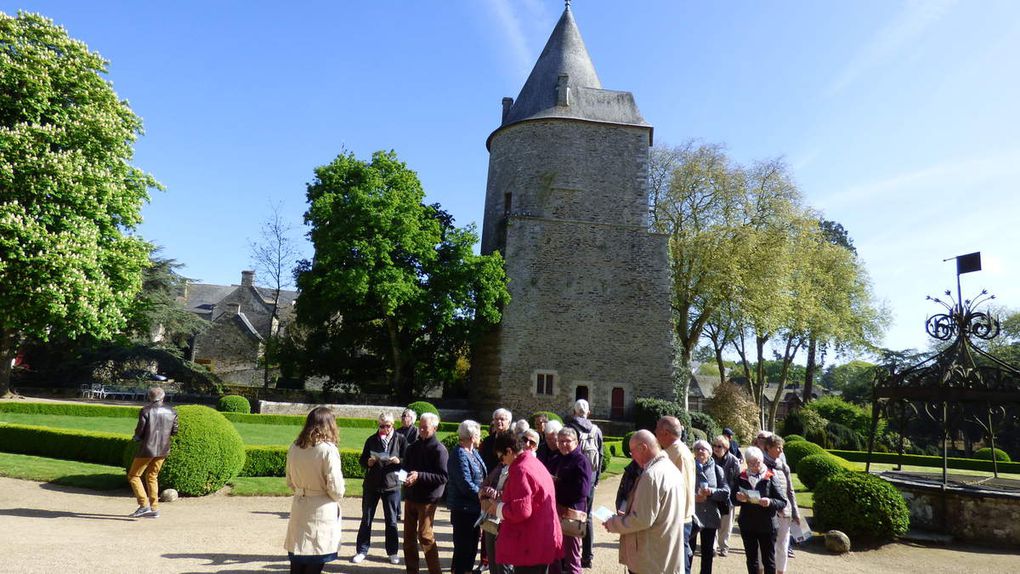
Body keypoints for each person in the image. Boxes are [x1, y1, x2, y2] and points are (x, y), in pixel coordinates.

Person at [480, 432, 562, 574]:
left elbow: (521, 511)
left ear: (509, 451)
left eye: (501, 456)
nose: (502, 461)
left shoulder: (520, 469)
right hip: (543, 537)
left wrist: (496, 508)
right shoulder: (534, 462)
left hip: (531, 541)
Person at [604, 430, 685, 574]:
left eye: (632, 452)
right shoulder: (671, 468)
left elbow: (641, 520)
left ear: (643, 448)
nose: (632, 456)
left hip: (650, 558)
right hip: (665, 553)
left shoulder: (651, 475)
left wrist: (613, 523)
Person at [285, 407, 346, 574]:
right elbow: (336, 488)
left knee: (298, 561)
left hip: (300, 505)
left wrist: (302, 490)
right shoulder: (328, 449)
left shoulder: (295, 447)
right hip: (320, 508)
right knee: (315, 559)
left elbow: (289, 480)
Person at [353, 412, 407, 565]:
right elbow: (362, 460)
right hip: (372, 485)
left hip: (392, 485)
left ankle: (392, 552)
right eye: (381, 426)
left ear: (393, 425)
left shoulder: (401, 440)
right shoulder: (372, 439)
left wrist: (398, 460)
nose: (384, 429)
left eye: (388, 426)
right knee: (366, 519)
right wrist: (368, 462)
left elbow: (408, 460)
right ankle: (362, 550)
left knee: (391, 521)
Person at [401, 412, 449, 574]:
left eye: (425, 427)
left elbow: (443, 477)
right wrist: (403, 478)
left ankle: (435, 571)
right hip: (411, 497)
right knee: (408, 538)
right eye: (420, 426)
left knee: (425, 536)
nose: (421, 429)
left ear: (435, 428)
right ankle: (412, 571)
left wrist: (419, 476)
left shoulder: (439, 450)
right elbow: (405, 469)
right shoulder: (412, 447)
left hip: (427, 500)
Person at [732, 446, 787, 574]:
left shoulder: (771, 477)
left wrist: (770, 502)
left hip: (767, 525)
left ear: (762, 461)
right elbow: (733, 500)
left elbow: (782, 502)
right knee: (751, 560)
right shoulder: (741, 477)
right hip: (748, 525)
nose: (754, 465)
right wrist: (738, 498)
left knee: (768, 560)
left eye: (757, 462)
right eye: (751, 462)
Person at [127, 386, 178, 518]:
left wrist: (136, 438)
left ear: (149, 397)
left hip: (147, 449)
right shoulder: (172, 411)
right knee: (152, 476)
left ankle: (144, 505)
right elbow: (175, 431)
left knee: (134, 475)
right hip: (163, 449)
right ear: (163, 397)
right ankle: (154, 507)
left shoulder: (145, 410)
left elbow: (140, 430)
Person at [564, 399, 603, 568]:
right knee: (587, 516)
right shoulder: (596, 430)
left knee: (569, 514)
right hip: (591, 477)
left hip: (574, 475)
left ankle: (568, 556)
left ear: (574, 412)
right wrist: (597, 479)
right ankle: (587, 557)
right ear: (588, 412)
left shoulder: (570, 428)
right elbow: (600, 455)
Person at [656, 416, 695, 574]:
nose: (655, 432)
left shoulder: (680, 454)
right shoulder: (670, 452)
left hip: (678, 519)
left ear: (665, 432)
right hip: (673, 518)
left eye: (657, 428)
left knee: (679, 565)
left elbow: (683, 490)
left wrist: (673, 518)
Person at [551, 427, 593, 574]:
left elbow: (583, 490)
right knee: (554, 554)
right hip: (556, 513)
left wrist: (558, 485)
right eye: (560, 441)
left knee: (572, 559)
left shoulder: (581, 461)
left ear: (576, 442)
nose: (563, 444)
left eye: (567, 441)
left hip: (571, 514)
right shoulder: (558, 459)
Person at [447, 420, 486, 574]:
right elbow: (465, 484)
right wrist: (482, 494)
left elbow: (483, 475)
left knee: (471, 549)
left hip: (474, 508)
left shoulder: (473, 452)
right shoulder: (459, 454)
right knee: (463, 549)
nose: (480, 437)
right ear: (471, 436)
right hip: (463, 509)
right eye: (478, 434)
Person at [689, 440, 730, 574]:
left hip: (710, 515)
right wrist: (693, 497)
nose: (700, 451)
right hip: (691, 515)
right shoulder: (688, 467)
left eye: (704, 449)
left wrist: (711, 492)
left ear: (709, 453)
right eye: (697, 449)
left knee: (707, 553)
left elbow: (726, 492)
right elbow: (679, 489)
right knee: (688, 550)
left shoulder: (717, 469)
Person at [764, 435, 799, 574]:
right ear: (768, 447)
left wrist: (795, 512)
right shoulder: (761, 464)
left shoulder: (784, 467)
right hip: (767, 511)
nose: (781, 450)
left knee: (783, 545)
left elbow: (790, 491)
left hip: (785, 511)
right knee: (766, 545)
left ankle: (780, 571)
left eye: (782, 448)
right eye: (778, 447)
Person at [478, 450, 513, 574]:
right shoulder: (500, 466)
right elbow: (484, 484)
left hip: (505, 518)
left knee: (503, 562)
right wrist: (483, 493)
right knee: (492, 557)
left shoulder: (518, 469)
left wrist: (496, 494)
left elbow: (514, 494)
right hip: (490, 516)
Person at [711, 435, 741, 558]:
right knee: (712, 522)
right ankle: (712, 547)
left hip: (728, 497)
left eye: (719, 446)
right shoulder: (710, 459)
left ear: (726, 447)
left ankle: (723, 546)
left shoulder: (733, 461)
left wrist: (734, 497)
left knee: (726, 525)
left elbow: (738, 480)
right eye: (714, 446)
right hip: (713, 496)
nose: (716, 448)